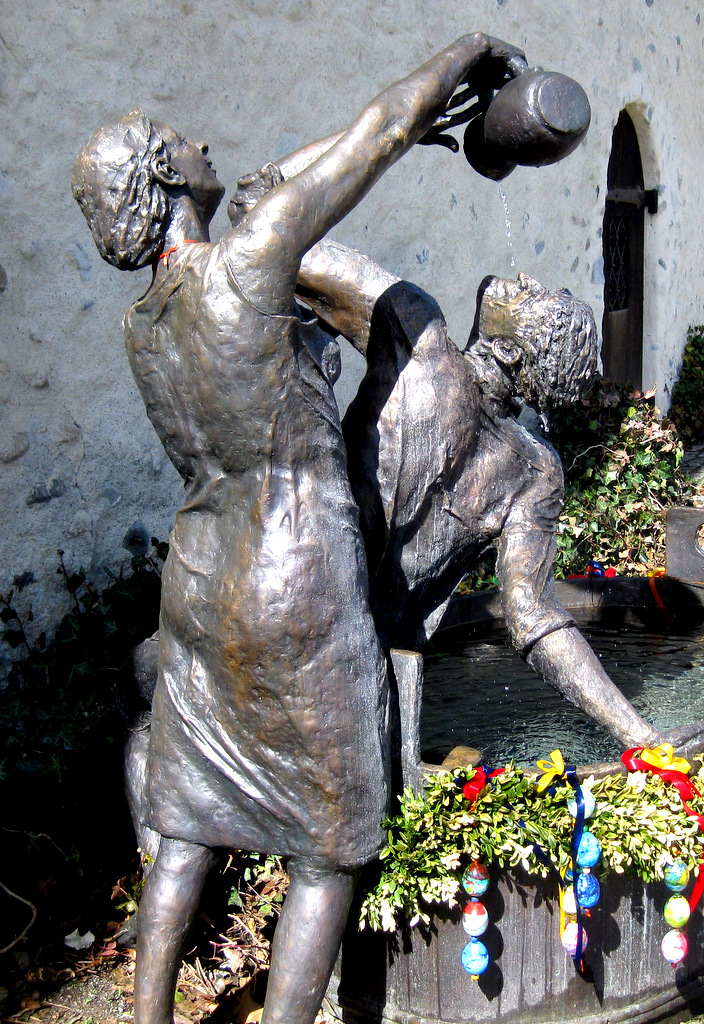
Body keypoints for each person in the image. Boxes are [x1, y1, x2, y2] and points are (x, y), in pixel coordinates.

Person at [71, 34, 527, 1024]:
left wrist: (435, 128)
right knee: (327, 844)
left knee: (186, 822)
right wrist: (469, 53)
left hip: (198, 575)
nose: (199, 140)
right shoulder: (250, 264)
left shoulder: (144, 324)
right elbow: (380, 129)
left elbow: (286, 176)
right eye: (177, 140)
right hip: (294, 571)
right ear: (164, 175)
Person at [287, 239, 687, 750]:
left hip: (297, 602)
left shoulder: (418, 330)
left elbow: (281, 250)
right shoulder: (536, 473)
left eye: (534, 299)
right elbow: (534, 617)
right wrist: (643, 738)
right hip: (372, 667)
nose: (525, 281)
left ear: (511, 351)